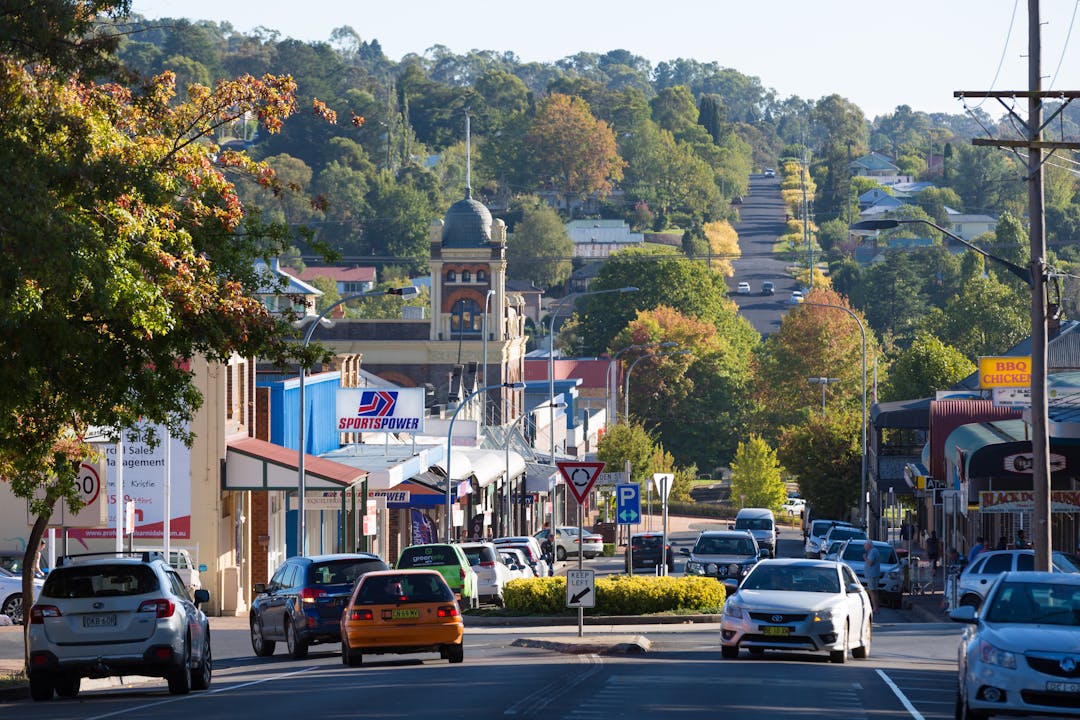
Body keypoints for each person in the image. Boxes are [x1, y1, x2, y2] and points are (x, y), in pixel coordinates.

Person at [863, 539, 881, 613]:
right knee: (873, 591)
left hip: (872, 574)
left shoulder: (873, 551)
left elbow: (870, 563)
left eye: (865, 546)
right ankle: (875, 607)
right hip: (872, 574)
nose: (865, 548)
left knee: (872, 591)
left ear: (869, 546)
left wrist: (865, 558)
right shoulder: (873, 551)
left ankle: (875, 608)